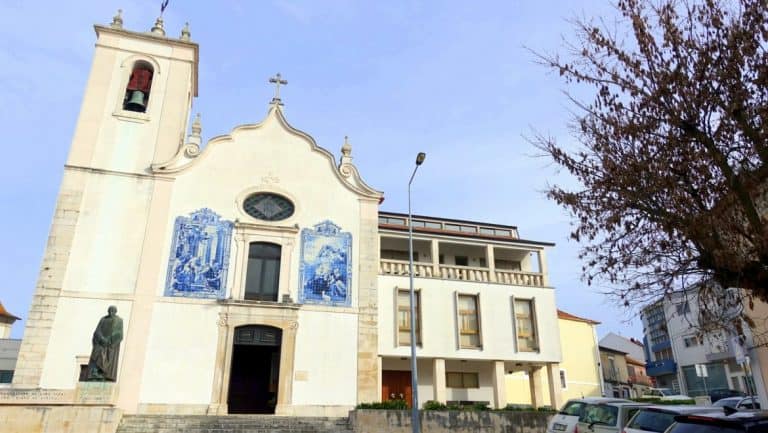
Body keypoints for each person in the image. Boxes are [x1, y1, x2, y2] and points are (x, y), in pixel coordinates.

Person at [86, 306, 123, 381]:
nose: (111, 313)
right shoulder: (103, 319)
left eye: (112, 311)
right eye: (109, 311)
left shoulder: (119, 320)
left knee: (107, 357)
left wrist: (110, 340)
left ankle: (104, 373)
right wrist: (101, 338)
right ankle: (95, 372)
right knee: (96, 354)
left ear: (115, 312)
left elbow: (119, 333)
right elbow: (97, 330)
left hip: (110, 344)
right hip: (100, 342)